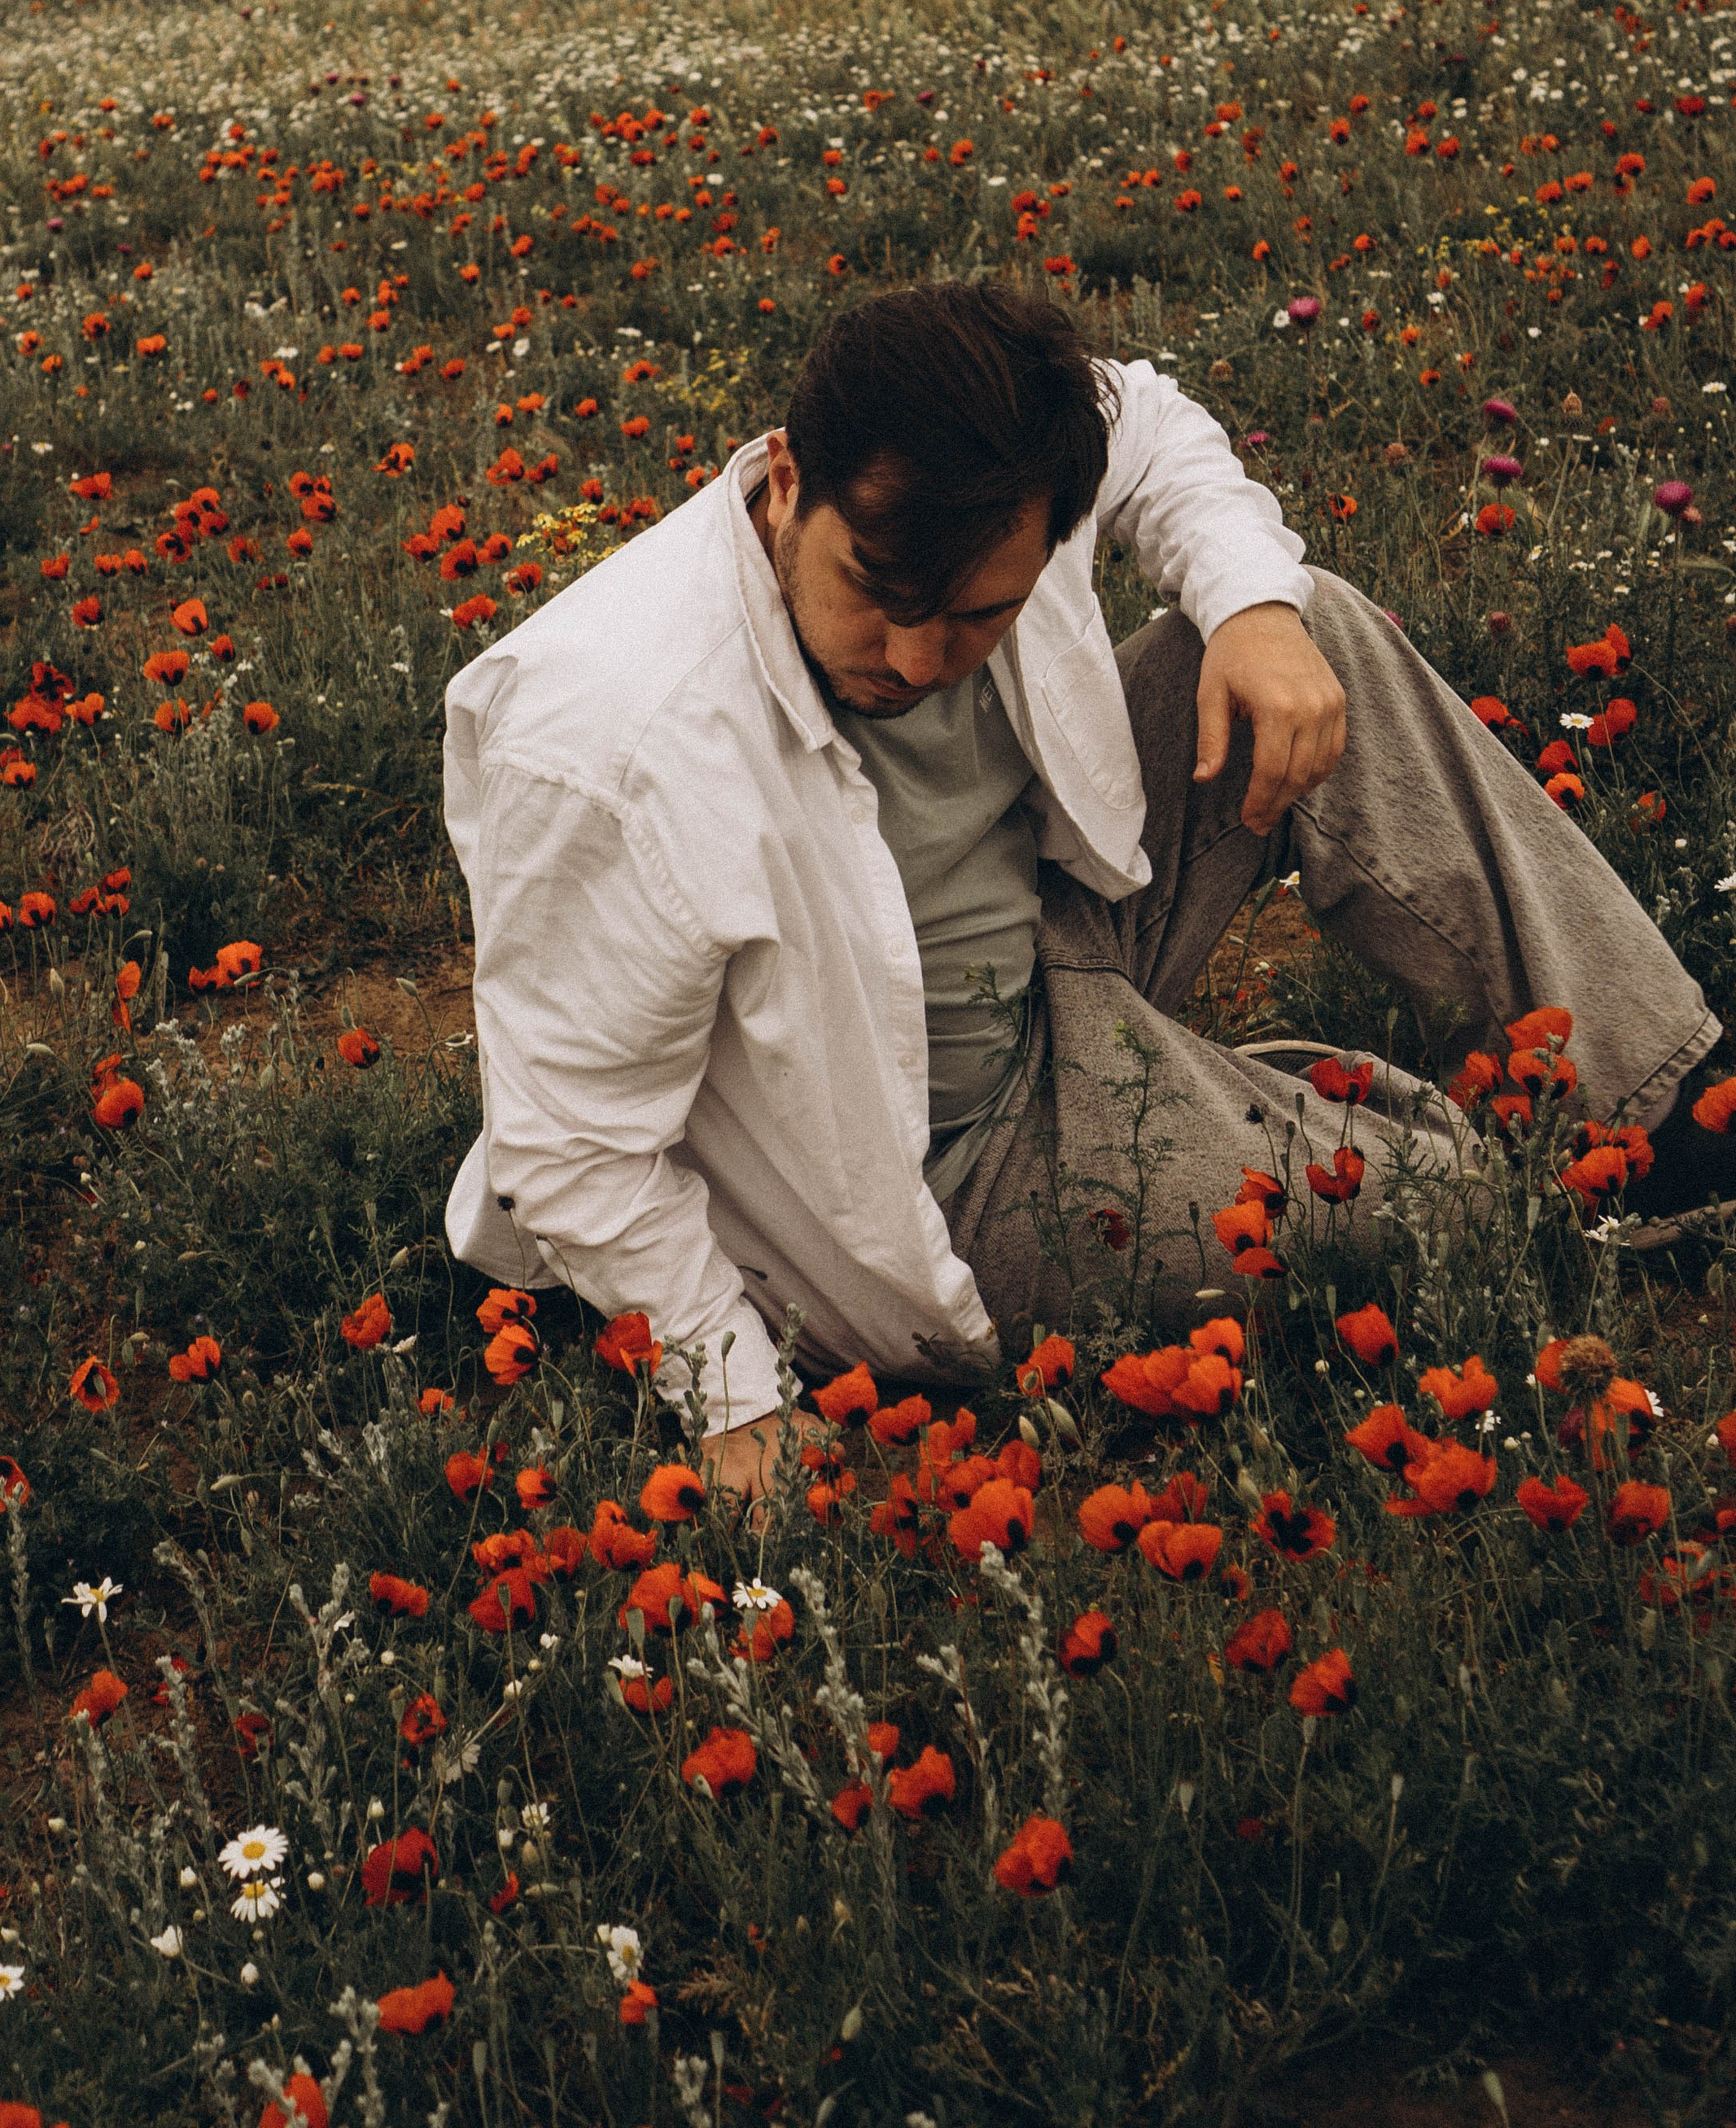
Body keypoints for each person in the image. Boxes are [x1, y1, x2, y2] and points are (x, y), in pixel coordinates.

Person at [443, 277, 1725, 1505]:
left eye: (978, 617)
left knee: (1312, 623)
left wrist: (1251, 610)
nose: (915, 660)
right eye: (878, 597)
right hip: (924, 1162)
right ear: (787, 480)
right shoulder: (607, 746)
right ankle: (1446, 1157)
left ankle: (1674, 1109)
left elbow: (1147, 421)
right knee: (1459, 1224)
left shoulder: (1015, 459)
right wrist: (733, 1396)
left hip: (1058, 925)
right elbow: (574, 1146)